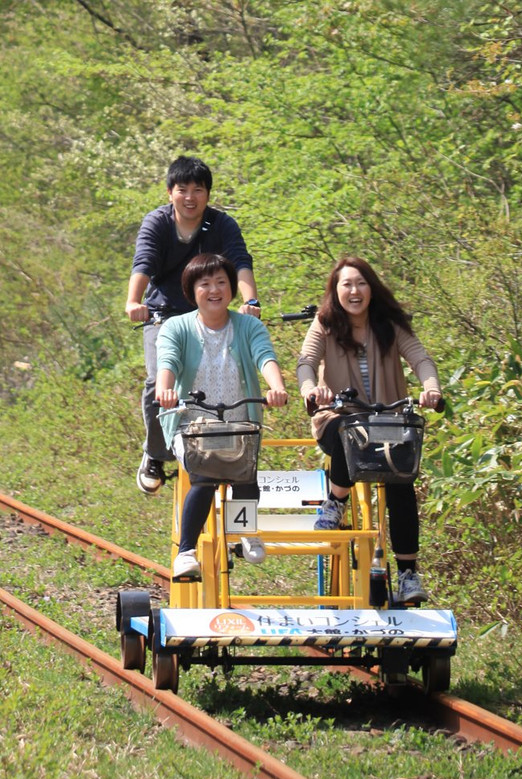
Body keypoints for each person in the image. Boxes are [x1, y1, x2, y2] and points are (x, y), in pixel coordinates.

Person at [296, 256, 443, 604]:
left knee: (401, 482)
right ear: (335, 290)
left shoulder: (389, 324)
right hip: (339, 417)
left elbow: (420, 359)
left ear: (372, 289)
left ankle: (407, 574)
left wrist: (431, 388)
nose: (354, 291)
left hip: (387, 421)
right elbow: (306, 362)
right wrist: (311, 391)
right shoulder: (325, 324)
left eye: (361, 283)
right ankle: (336, 501)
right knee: (349, 434)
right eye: (346, 284)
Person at [126, 156, 260, 496]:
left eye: (198, 190)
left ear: (208, 194)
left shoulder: (222, 224)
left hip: (211, 313)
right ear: (170, 192)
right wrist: (133, 301)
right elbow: (144, 261)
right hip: (165, 314)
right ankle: (156, 453)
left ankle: (232, 445)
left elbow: (240, 260)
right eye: (182, 189)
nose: (190, 197)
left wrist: (251, 300)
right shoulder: (157, 223)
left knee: (231, 375)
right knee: (158, 381)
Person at [155, 253, 288, 580]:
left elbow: (264, 356)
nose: (214, 290)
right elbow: (168, 362)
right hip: (191, 425)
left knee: (245, 473)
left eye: (221, 282)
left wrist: (277, 387)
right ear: (192, 290)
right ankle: (186, 551)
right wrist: (165, 390)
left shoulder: (249, 326)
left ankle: (244, 531)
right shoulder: (177, 327)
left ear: (231, 288)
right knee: (207, 474)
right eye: (205, 284)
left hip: (239, 423)